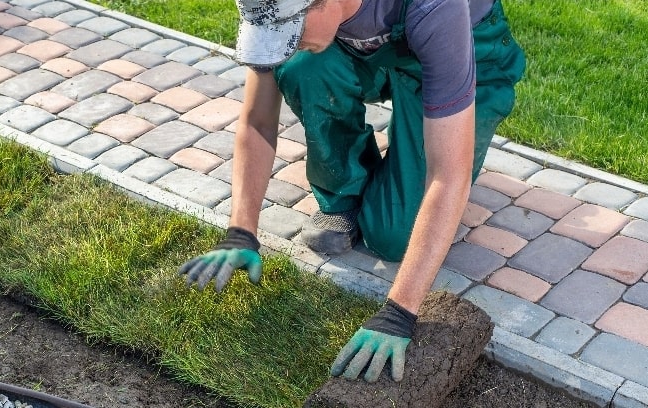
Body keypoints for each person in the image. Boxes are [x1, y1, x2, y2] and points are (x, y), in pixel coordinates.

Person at [179, 0, 525, 383]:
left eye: (292, 33)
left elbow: (448, 174)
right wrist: (240, 232)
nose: (284, 44)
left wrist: (399, 312)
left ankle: (418, 144)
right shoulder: (274, 6)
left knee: (395, 237)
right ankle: (345, 193)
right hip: (372, 51)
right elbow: (258, 120)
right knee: (302, 67)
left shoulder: (436, 7)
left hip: (467, 47)